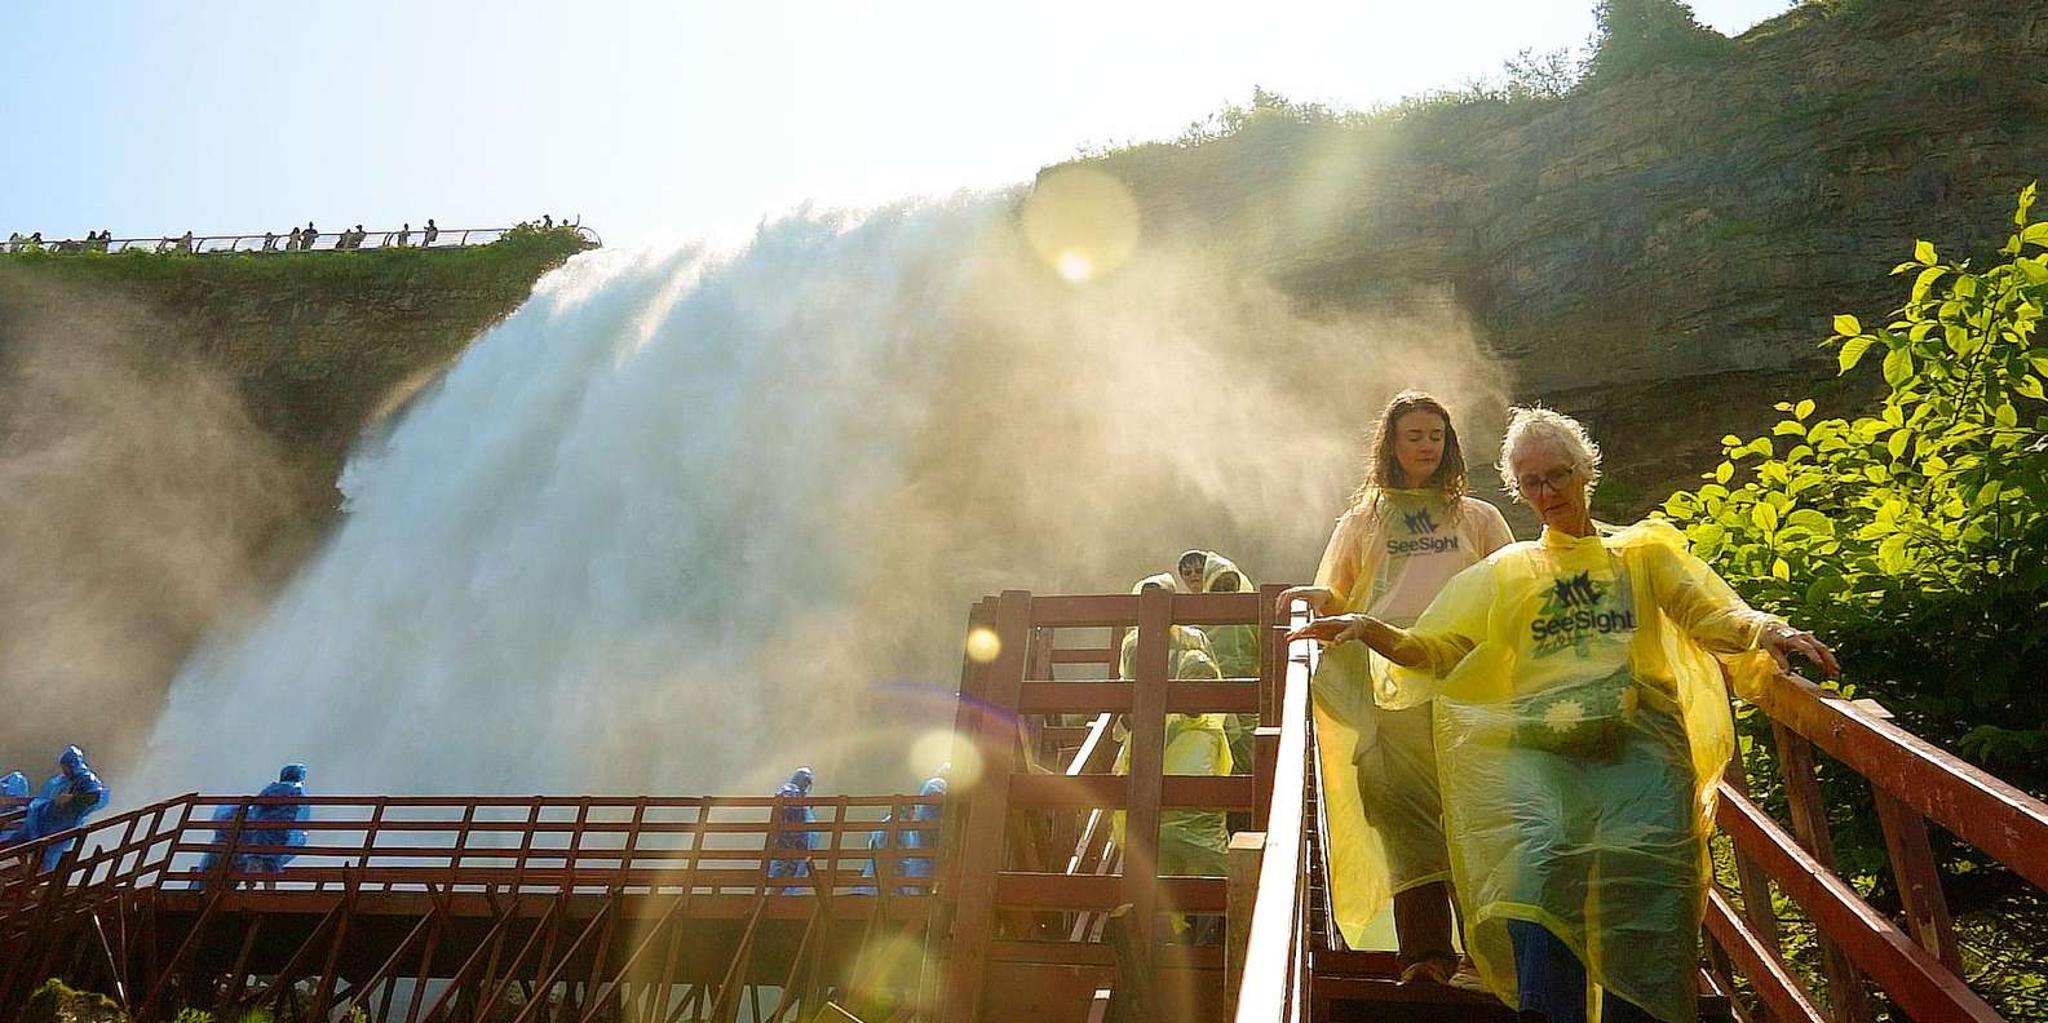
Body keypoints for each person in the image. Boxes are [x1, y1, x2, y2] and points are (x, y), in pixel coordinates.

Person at [1290, 405, 1838, 1023]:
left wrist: (1768, 630)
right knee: (1540, 890)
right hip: (1546, 765)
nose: (1547, 493)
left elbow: (1707, 611)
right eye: (1532, 482)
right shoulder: (1510, 573)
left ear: (1586, 471)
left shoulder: (1641, 557)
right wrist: (1369, 628)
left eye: (1557, 476)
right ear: (1519, 488)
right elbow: (1438, 649)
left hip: (1643, 763)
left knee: (1648, 904)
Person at [1274, 391, 1513, 984]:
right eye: (1414, 436)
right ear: (1392, 444)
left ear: (1449, 443)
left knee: (1472, 811)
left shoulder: (1477, 517)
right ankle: (1426, 956)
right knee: (1403, 819)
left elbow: (1516, 583)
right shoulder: (1365, 519)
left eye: (1435, 435)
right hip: (1385, 678)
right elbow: (1340, 589)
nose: (1426, 446)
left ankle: (1492, 958)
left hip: (1463, 679)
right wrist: (1310, 600)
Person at [1115, 575, 1232, 940]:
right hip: (1190, 756)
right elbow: (1215, 689)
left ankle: (1167, 929)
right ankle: (1212, 926)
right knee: (1206, 856)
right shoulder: (1194, 640)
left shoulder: (1135, 643)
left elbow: (1127, 692)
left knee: (1156, 853)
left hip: (1156, 752)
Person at [3, 746, 111, 873]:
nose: (64, 769)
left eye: (66, 766)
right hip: (39, 822)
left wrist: (73, 799)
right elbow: (43, 798)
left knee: (46, 855)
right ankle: (27, 873)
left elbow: (98, 797)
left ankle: (37, 880)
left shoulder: (86, 780)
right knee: (18, 842)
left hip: (60, 826)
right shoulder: (58, 781)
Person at [198, 764, 310, 881]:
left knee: (254, 861)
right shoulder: (298, 793)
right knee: (269, 863)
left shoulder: (274, 789)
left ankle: (251, 883)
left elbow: (258, 806)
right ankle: (266, 887)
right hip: (278, 838)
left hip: (258, 838)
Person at [768, 766, 819, 894]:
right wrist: (802, 804)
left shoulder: (797, 793)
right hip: (787, 839)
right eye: (805, 780)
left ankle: (779, 896)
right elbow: (788, 806)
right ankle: (774, 897)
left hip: (795, 840)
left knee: (790, 871)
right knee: (784, 869)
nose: (807, 784)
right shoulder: (789, 790)